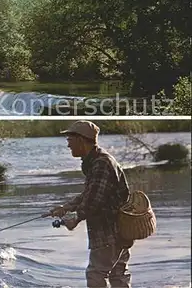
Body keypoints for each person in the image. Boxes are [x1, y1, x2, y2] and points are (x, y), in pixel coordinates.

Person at [47, 120, 134, 288]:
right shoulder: (97, 160)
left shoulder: (101, 163)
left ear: (81, 140)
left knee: (96, 274)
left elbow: (94, 200)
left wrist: (77, 217)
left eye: (70, 140)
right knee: (118, 275)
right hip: (118, 232)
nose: (68, 146)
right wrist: (66, 207)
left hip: (109, 232)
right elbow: (91, 193)